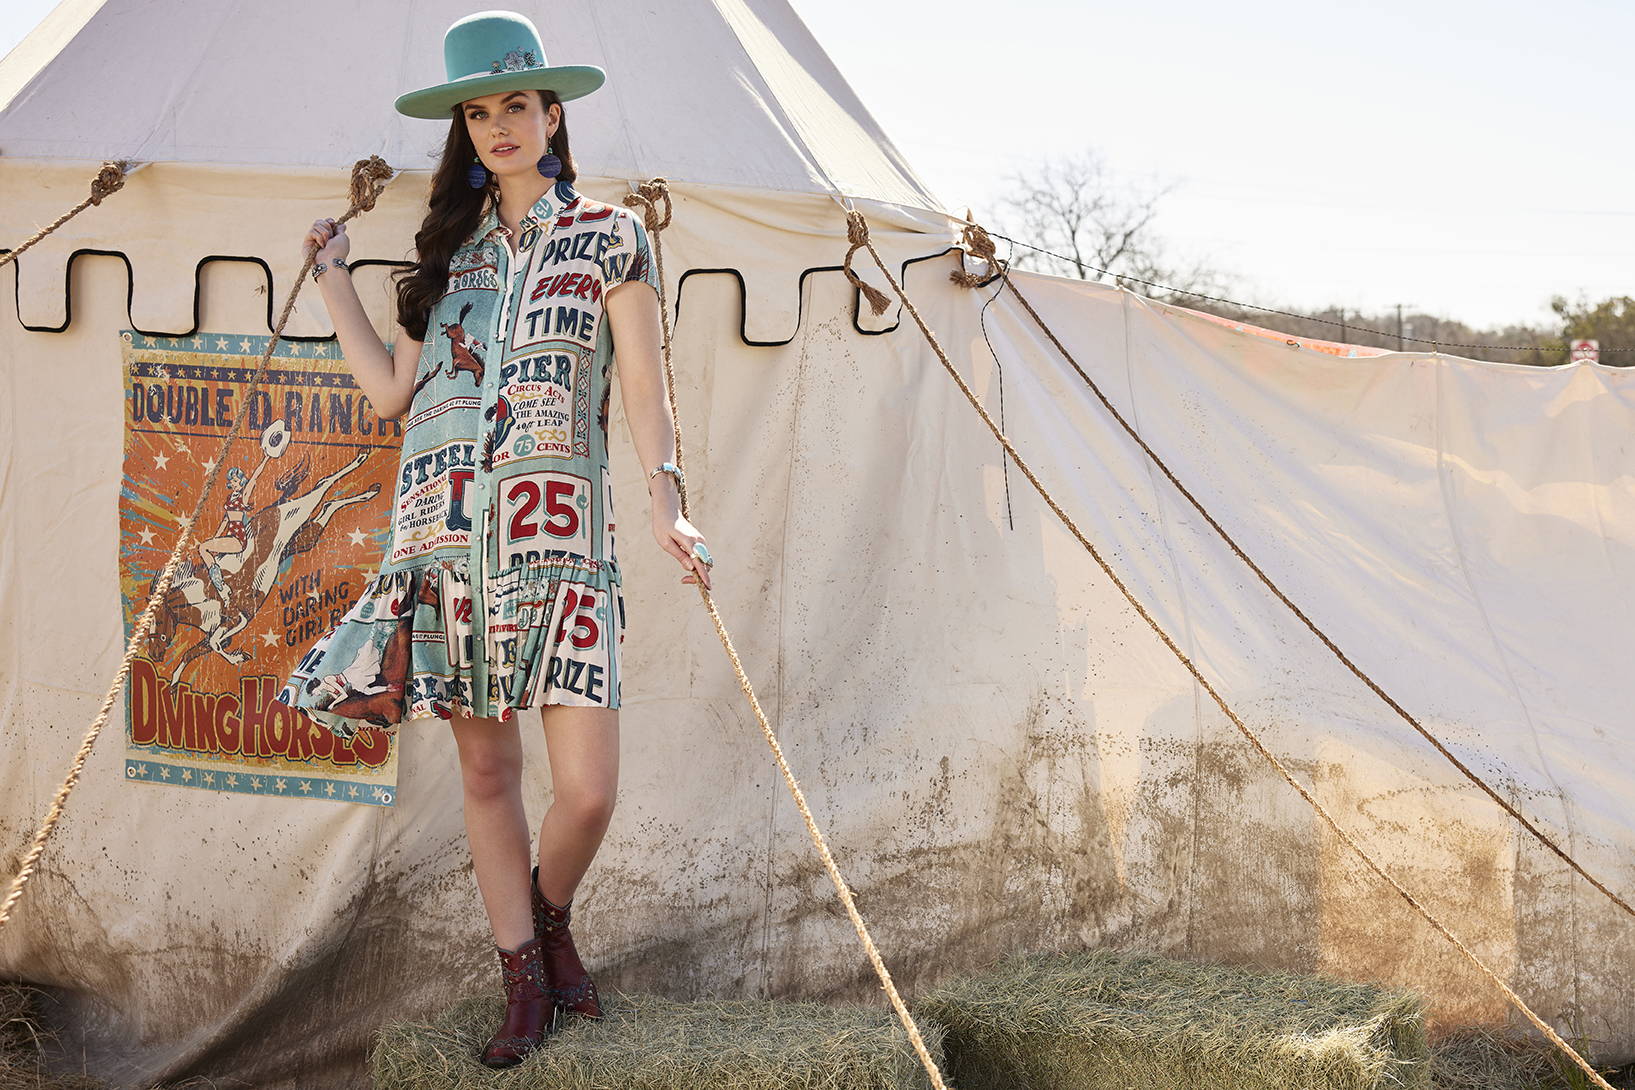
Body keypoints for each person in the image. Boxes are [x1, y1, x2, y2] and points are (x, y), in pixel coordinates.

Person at [273, 10, 714, 1068]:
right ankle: (522, 976)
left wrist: (667, 496)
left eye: (518, 104)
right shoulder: (448, 252)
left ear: (552, 113)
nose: (501, 126)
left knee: (588, 788)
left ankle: (546, 920)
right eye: (481, 112)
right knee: (485, 778)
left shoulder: (612, 234)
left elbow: (646, 387)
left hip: (562, 546)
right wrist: (333, 276)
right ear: (465, 130)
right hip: (448, 546)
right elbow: (389, 391)